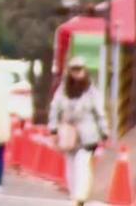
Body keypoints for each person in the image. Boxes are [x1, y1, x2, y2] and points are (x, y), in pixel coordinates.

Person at [49, 56, 108, 206]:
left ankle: (80, 196)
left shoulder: (92, 92)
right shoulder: (62, 91)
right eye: (73, 70)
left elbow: (100, 113)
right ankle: (74, 193)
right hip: (68, 135)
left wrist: (104, 131)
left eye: (79, 70)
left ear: (85, 71)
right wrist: (53, 129)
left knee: (82, 164)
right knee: (70, 165)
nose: (77, 73)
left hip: (88, 135)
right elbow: (55, 109)